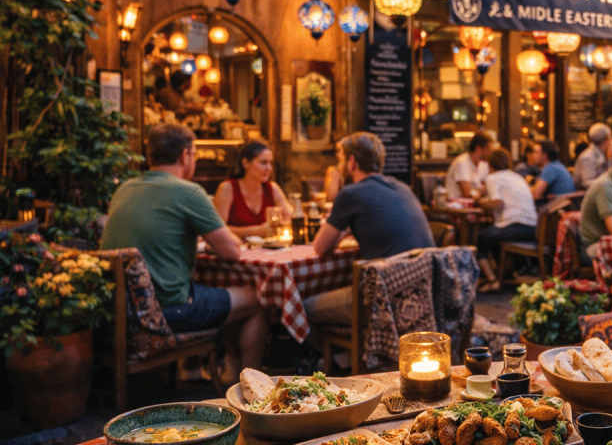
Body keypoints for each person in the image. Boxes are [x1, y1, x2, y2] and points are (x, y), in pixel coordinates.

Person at [100, 123, 268, 384]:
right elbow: (233, 251)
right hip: (170, 311)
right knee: (257, 299)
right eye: (195, 154)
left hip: (119, 313)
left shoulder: (124, 188)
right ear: (185, 155)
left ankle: (209, 370)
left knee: (217, 291)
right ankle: (250, 391)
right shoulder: (187, 191)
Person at [304, 132, 435, 329]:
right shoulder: (402, 187)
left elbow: (320, 247)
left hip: (385, 297)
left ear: (352, 162)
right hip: (425, 292)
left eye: (340, 160)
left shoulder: (350, 193)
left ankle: (339, 357)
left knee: (302, 308)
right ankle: (346, 354)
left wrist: (341, 230)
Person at [475, 148, 538, 292]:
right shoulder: (517, 176)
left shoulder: (492, 178)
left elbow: (498, 203)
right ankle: (505, 274)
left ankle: (492, 280)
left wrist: (479, 202)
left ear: (490, 165)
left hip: (514, 226)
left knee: (480, 238)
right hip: (531, 227)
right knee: (493, 238)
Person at [213, 141, 292, 238]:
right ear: (245, 163)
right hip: (236, 248)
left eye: (270, 163)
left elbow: (290, 217)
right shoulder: (227, 188)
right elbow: (218, 229)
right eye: (263, 163)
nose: (269, 168)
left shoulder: (272, 188)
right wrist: (256, 231)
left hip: (267, 250)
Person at [445, 132, 492, 199]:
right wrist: (481, 191)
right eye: (488, 150)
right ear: (478, 148)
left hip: (474, 206)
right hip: (457, 207)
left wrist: (478, 191)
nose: (490, 153)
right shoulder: (462, 162)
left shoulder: (483, 164)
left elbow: (490, 186)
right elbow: (467, 194)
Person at [573, 123, 611, 190]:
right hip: (587, 197)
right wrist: (611, 183)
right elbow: (587, 183)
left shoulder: (604, 153)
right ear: (607, 138)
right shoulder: (587, 157)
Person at [324, 138, 347, 202]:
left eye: (340, 150)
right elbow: (331, 197)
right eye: (337, 151)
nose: (337, 155)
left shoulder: (359, 172)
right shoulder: (333, 171)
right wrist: (339, 171)